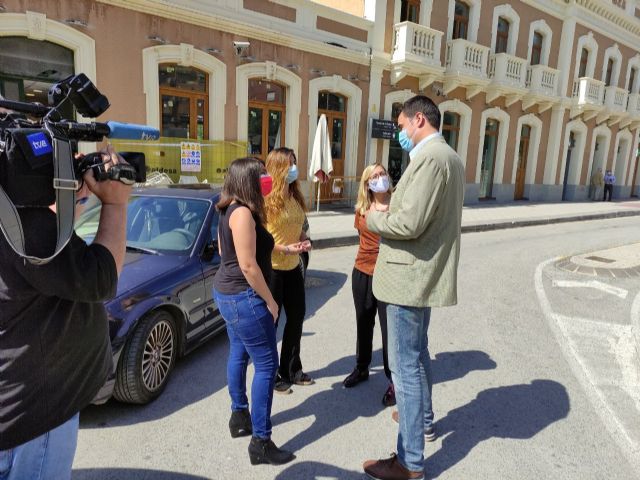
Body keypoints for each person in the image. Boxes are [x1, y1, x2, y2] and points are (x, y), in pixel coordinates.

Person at [0, 145, 131, 480]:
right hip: (35, 415)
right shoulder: (21, 225)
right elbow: (102, 278)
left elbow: (47, 257)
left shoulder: (13, 222)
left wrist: (66, 198)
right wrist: (115, 203)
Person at [362, 95, 465, 480]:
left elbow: (409, 225)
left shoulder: (430, 158)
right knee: (418, 356)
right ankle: (421, 421)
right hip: (422, 274)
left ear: (418, 119)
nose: (401, 133)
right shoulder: (449, 156)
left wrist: (374, 218)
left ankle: (410, 463)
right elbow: (422, 216)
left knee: (404, 367)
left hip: (408, 278)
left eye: (403, 126)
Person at [212, 157, 294, 466]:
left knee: (238, 352)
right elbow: (247, 265)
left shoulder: (227, 208)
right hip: (244, 297)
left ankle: (239, 417)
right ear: (248, 180)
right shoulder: (243, 213)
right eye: (260, 175)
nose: (266, 179)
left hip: (227, 293)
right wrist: (270, 301)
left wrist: (283, 249)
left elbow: (225, 252)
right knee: (266, 365)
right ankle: (260, 441)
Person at [342, 164, 396, 408]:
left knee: (389, 331)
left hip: (388, 274)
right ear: (367, 184)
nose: (379, 179)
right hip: (362, 271)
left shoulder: (398, 205)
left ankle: (394, 380)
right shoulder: (361, 209)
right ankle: (361, 367)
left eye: (382, 174)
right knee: (363, 322)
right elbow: (362, 239)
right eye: (373, 176)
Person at [264, 147, 313, 394]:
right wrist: (285, 248)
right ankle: (270, 376)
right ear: (278, 167)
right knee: (270, 325)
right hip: (272, 270)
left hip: (293, 267)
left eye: (295, 162)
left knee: (296, 318)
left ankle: (291, 369)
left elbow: (298, 225)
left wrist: (304, 239)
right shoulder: (265, 200)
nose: (294, 168)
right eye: (290, 163)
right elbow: (261, 239)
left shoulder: (294, 196)